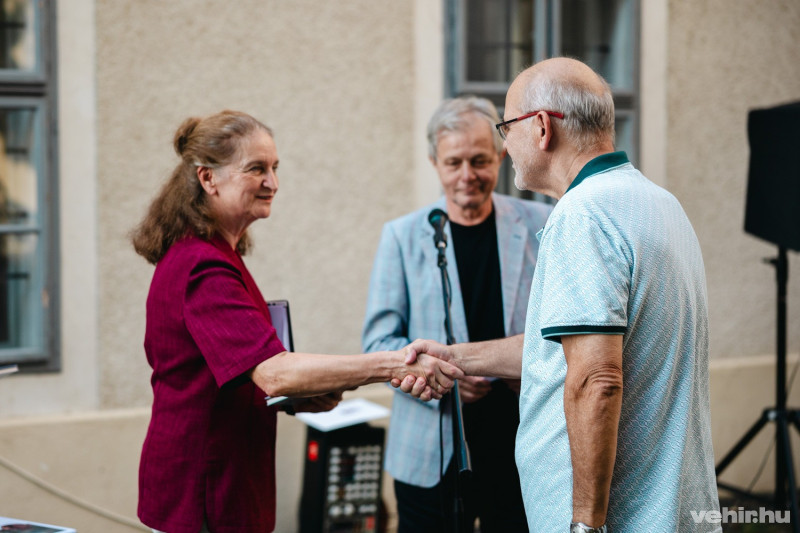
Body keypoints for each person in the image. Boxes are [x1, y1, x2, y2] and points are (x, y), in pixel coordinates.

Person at [403, 58, 721, 532]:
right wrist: (453, 356)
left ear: (542, 128)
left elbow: (597, 379)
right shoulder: (659, 203)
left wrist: (585, 525)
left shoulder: (582, 216)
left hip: (620, 519)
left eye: (506, 128)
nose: (505, 145)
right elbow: (564, 351)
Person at [130, 110, 463, 533]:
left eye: (274, 167)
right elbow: (274, 373)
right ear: (207, 179)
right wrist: (393, 364)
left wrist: (300, 398)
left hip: (220, 482)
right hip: (203, 492)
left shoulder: (217, 255)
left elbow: (237, 375)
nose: (272, 182)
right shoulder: (202, 266)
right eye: (256, 169)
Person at [362, 96, 552, 532]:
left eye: (480, 160)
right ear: (434, 162)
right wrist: (439, 376)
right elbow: (378, 343)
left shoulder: (544, 223)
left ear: (501, 157)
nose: (467, 176)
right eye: (454, 162)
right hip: (430, 453)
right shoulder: (401, 237)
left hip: (521, 446)